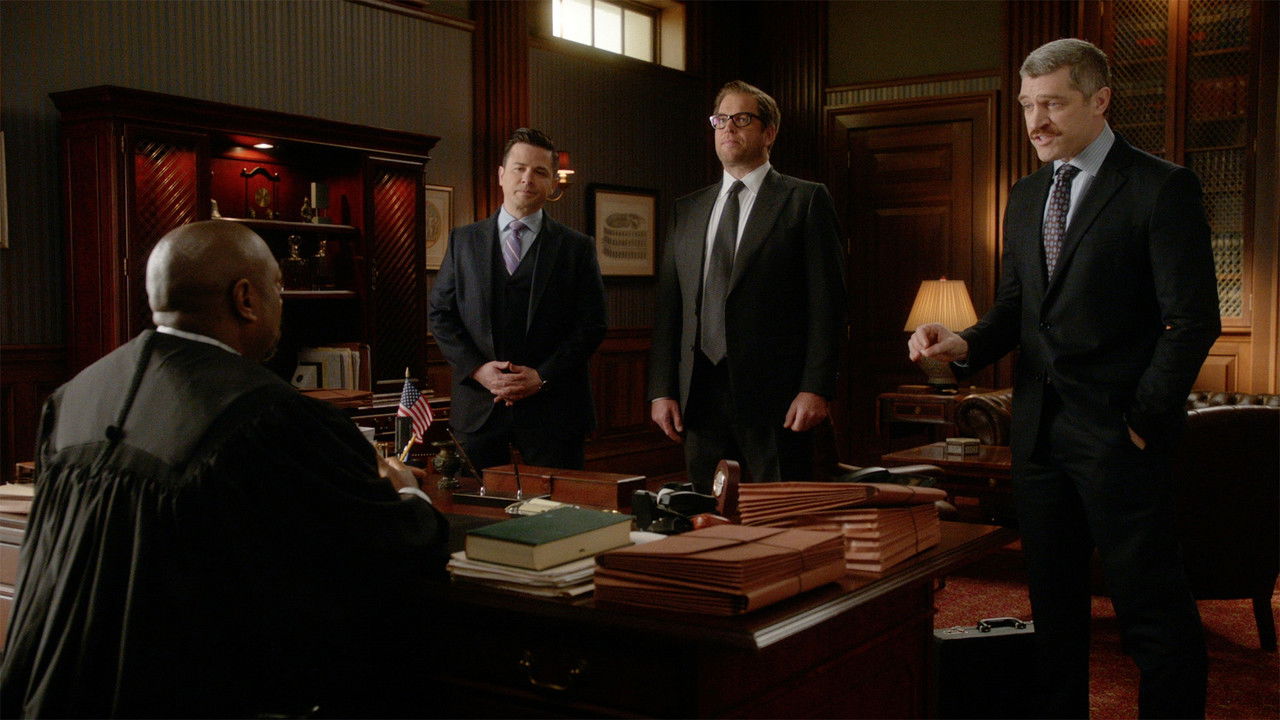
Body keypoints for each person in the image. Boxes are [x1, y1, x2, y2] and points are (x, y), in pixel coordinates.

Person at [0, 220, 451, 719]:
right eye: (277, 288)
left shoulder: (72, 398)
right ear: (245, 299)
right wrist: (406, 492)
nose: (281, 303)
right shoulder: (270, 417)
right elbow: (387, 551)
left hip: (53, 697)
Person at [909, 39, 1219, 718]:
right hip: (1037, 439)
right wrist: (962, 343)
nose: (1035, 121)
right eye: (1027, 105)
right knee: (1053, 619)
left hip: (1120, 438)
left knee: (1154, 619)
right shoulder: (1026, 195)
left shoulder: (1161, 187)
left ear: (1100, 99)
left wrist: (1142, 420)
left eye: (1051, 103)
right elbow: (1017, 310)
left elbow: (1193, 321)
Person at [648, 80, 846, 492]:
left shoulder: (804, 200)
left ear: (769, 133)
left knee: (782, 512)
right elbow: (670, 307)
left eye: (741, 119)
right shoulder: (688, 209)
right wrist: (662, 389)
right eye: (720, 119)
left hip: (778, 398)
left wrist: (816, 388)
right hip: (699, 395)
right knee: (707, 512)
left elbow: (828, 304)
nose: (728, 128)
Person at [429, 128, 607, 471]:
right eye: (519, 168)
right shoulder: (463, 241)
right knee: (471, 502)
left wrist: (541, 377)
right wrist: (479, 370)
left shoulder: (577, 248)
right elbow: (440, 314)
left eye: (540, 171)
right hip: (479, 408)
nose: (528, 178)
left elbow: (592, 325)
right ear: (501, 175)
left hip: (554, 409)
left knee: (559, 505)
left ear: (552, 183)